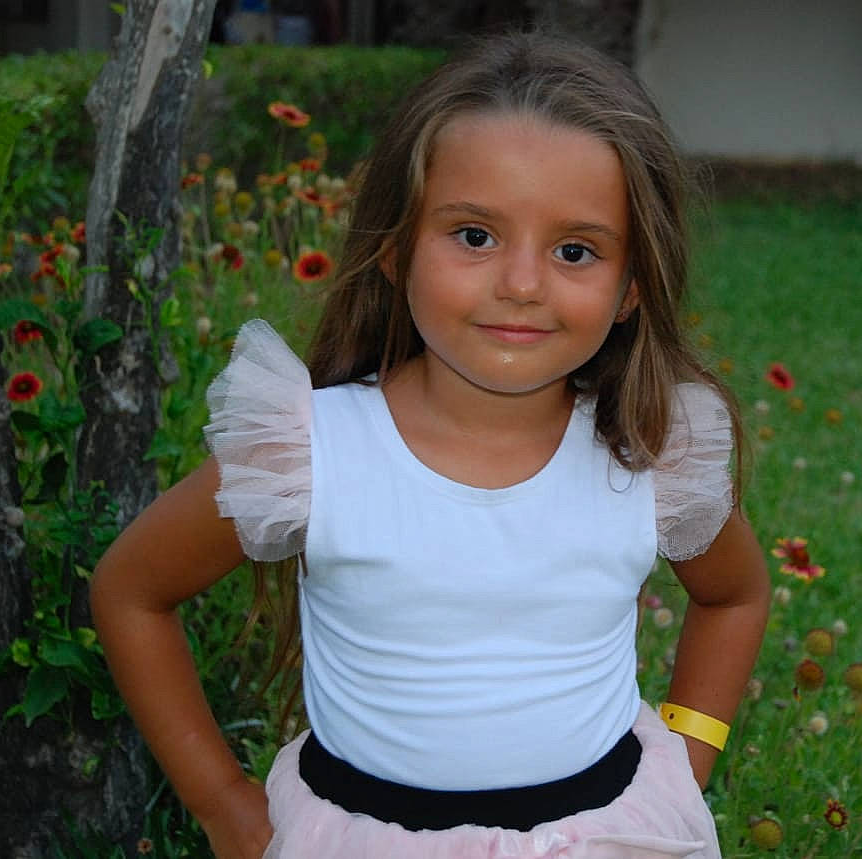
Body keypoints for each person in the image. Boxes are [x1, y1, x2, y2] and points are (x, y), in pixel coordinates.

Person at [91, 30, 771, 858]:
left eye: (574, 250)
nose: (521, 284)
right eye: (475, 236)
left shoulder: (650, 453)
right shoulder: (309, 451)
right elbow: (132, 591)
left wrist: (685, 758)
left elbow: (732, 595)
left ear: (631, 288)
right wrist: (224, 803)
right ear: (394, 246)